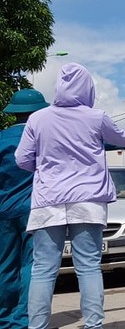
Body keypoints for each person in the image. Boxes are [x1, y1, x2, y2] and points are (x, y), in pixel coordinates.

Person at [14, 63, 125, 329]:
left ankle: (37, 326)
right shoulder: (96, 117)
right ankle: (93, 325)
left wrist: (46, 166)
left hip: (48, 201)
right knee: (88, 267)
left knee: (43, 270)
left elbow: (22, 160)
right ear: (87, 88)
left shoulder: (37, 119)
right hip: (87, 201)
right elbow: (124, 139)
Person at [0, 89, 49, 329]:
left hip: (4, 212)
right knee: (33, 265)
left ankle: (4, 319)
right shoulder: (43, 138)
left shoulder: (2, 139)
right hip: (35, 210)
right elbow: (86, 142)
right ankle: (25, 318)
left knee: (6, 266)